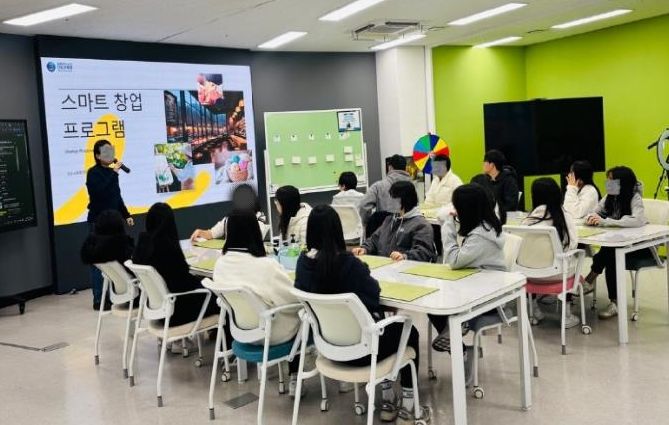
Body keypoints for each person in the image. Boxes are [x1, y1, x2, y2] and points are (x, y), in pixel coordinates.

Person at [295, 205, 429, 424]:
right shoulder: (349, 265)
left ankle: (388, 396)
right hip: (363, 352)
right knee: (408, 332)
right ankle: (408, 402)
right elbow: (373, 295)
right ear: (338, 230)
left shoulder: (303, 265)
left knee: (383, 329)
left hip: (328, 350)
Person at [211, 212, 303, 394]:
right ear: (255, 231)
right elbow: (294, 298)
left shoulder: (220, 264)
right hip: (272, 333)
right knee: (305, 315)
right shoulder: (266, 266)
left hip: (240, 331)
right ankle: (296, 377)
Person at [429, 184, 505, 367]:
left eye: (457, 207)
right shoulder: (485, 227)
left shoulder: (480, 236)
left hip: (488, 299)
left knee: (438, 305)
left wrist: (448, 226)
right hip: (477, 286)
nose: (455, 212)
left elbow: (454, 260)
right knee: (434, 304)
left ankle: (459, 347)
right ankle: (456, 340)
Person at [133, 203, 219, 327]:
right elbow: (183, 280)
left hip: (160, 310)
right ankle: (221, 337)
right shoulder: (166, 248)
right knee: (222, 297)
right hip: (178, 310)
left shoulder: (142, 246)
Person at [583, 166, 649, 319]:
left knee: (610, 253)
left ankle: (590, 280)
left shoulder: (634, 197)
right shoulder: (609, 197)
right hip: (617, 245)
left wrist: (606, 222)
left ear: (622, 183)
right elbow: (595, 212)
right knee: (611, 253)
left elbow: (637, 220)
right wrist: (591, 218)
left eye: (611, 180)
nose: (608, 183)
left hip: (638, 247)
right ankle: (614, 303)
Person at [521, 178, 579, 327]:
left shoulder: (528, 220)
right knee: (569, 259)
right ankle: (566, 315)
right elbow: (572, 244)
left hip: (530, 275)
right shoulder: (564, 217)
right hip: (558, 275)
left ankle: (533, 310)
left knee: (534, 258)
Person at [85, 139, 134, 310]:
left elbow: (116, 196)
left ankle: (117, 296)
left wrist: (126, 214)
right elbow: (99, 194)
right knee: (98, 263)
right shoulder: (93, 173)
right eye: (105, 152)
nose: (110, 155)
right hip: (98, 222)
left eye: (111, 151)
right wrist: (114, 173)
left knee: (116, 261)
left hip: (114, 223)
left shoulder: (112, 174)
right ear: (97, 156)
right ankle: (99, 299)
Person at [353, 181, 436, 263]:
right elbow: (374, 240)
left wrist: (405, 256)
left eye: (393, 197)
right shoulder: (389, 220)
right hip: (385, 265)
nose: (390, 201)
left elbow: (423, 252)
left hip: (405, 267)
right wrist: (364, 248)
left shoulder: (421, 225)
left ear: (404, 199)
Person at [80, 209, 136, 310]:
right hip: (131, 291)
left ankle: (99, 300)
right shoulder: (122, 245)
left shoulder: (93, 249)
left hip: (114, 290)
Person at [190, 184, 268, 241]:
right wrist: (200, 232)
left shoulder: (259, 217)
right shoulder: (229, 218)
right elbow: (212, 233)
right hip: (230, 256)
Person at [359, 154, 411, 236]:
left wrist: (367, 223)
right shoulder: (413, 186)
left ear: (390, 167)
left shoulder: (378, 186)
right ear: (405, 168)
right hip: (407, 233)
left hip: (383, 234)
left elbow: (364, 205)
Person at [482, 149, 519, 214]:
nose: (483, 165)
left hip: (504, 217)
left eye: (485, 162)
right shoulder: (484, 180)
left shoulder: (509, 181)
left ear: (492, 165)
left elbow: (511, 205)